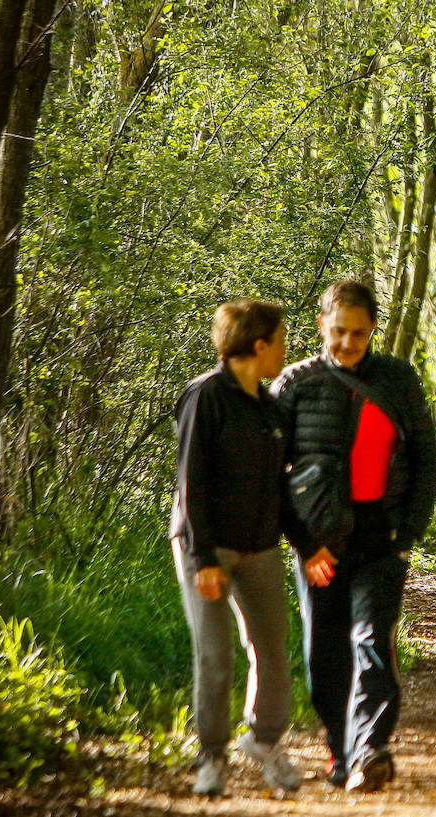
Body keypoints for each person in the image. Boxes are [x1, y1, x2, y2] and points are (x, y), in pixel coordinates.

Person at [272, 280, 436, 793]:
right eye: (339, 332)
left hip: (380, 536)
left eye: (359, 334)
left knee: (372, 640)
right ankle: (340, 750)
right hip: (317, 543)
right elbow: (270, 472)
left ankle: (371, 748)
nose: (348, 343)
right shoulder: (294, 384)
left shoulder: (397, 381)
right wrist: (300, 541)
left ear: (372, 332)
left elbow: (424, 458)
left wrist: (408, 530)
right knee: (323, 653)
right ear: (321, 325)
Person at [169, 299, 301, 796]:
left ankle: (265, 741)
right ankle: (212, 758)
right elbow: (191, 481)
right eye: (281, 341)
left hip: (261, 546)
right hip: (207, 547)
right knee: (215, 654)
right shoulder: (205, 396)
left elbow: (280, 489)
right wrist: (202, 557)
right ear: (259, 344)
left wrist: (307, 548)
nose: (285, 351)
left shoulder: (270, 408)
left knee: (271, 647)